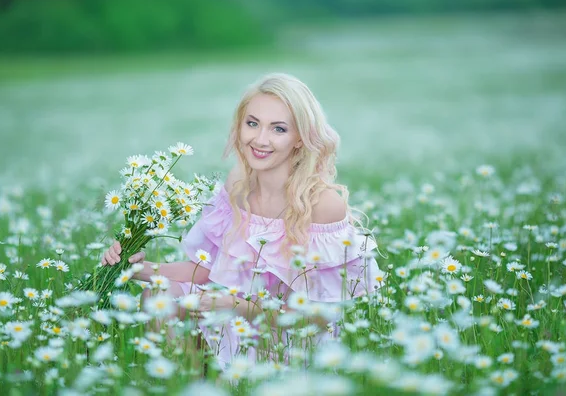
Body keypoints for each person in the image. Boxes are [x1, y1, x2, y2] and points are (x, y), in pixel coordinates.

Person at [101, 73, 380, 369]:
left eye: (279, 129)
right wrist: (134, 268)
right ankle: (190, 383)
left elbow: (320, 318)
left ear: (300, 138)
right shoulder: (239, 187)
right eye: (252, 123)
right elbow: (209, 269)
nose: (260, 139)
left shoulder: (323, 205)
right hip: (230, 315)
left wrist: (240, 307)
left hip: (287, 338)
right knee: (159, 295)